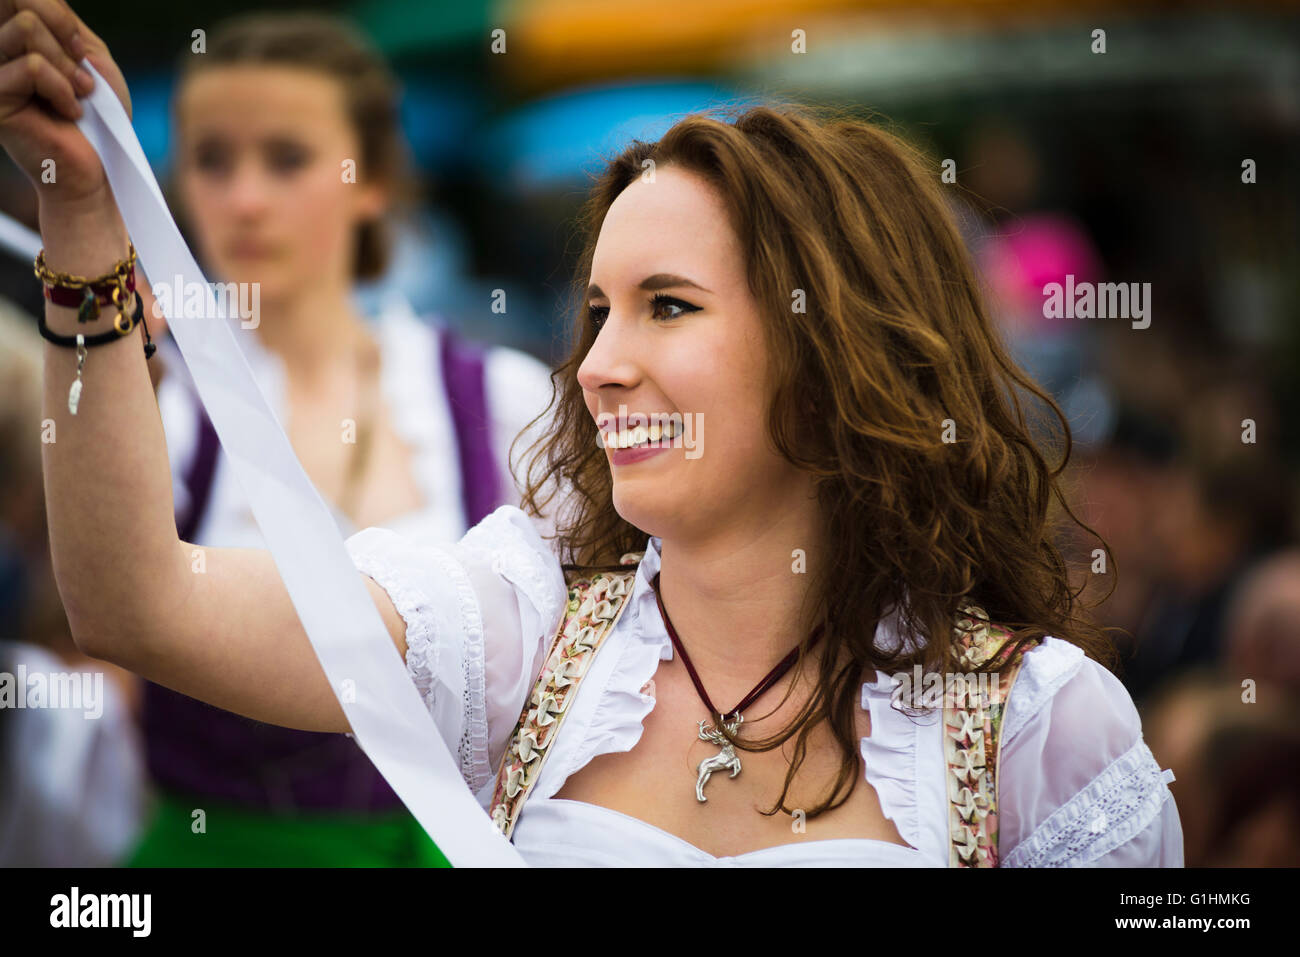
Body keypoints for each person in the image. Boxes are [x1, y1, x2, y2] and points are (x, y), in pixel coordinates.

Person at [2, 1, 1182, 866]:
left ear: (834, 348)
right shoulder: (523, 634)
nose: (599, 367)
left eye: (668, 305)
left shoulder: (1042, 732)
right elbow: (137, 603)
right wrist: (84, 221)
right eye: (598, 310)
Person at [135, 13, 559, 866]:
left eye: (287, 159)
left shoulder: (501, 401)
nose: (245, 199)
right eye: (212, 160)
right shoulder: (156, 405)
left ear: (370, 182)